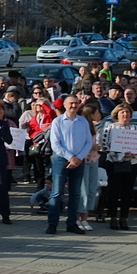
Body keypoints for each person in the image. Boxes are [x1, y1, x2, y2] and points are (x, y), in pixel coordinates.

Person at [45, 96, 94, 235]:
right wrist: (70, 157)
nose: (73, 105)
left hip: (79, 160)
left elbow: (88, 142)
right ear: (65, 105)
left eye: (76, 103)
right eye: (70, 103)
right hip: (61, 159)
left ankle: (71, 223)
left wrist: (78, 158)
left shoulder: (83, 122)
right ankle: (52, 224)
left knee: (75, 193)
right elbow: (55, 143)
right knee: (57, 192)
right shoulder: (58, 121)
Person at [97, 105, 137, 231]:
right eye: (123, 112)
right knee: (114, 190)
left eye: (127, 112)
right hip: (114, 162)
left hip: (132, 163)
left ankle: (124, 218)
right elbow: (104, 146)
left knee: (127, 192)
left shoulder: (135, 128)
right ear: (117, 114)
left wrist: (133, 153)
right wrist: (121, 154)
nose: (125, 115)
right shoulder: (109, 127)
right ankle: (113, 217)